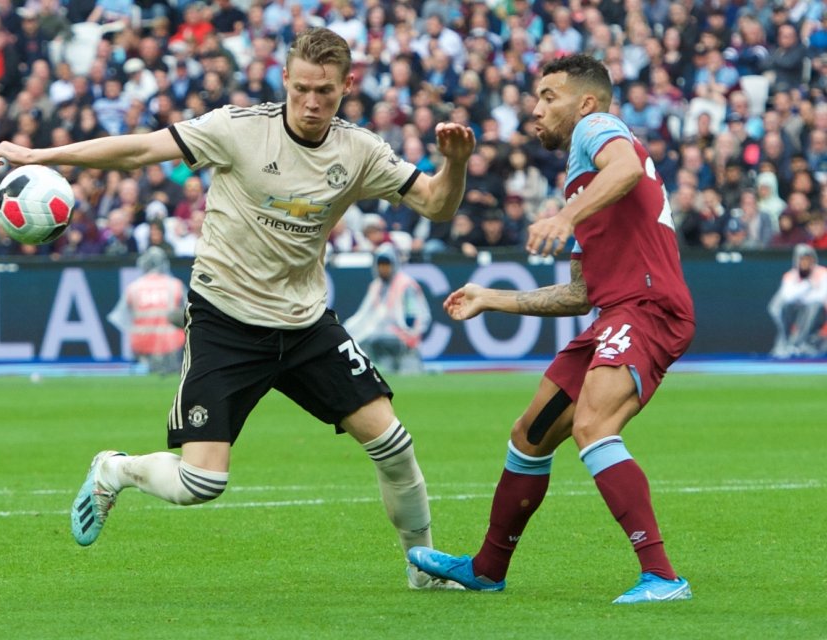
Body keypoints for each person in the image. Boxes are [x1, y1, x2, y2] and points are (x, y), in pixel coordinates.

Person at [0, 28, 474, 589]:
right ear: (285, 80)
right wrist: (39, 155)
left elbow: (437, 204)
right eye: (303, 89)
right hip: (227, 319)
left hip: (305, 322)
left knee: (393, 444)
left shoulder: (358, 150)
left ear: (348, 86)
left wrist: (454, 163)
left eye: (327, 92)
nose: (313, 103)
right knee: (201, 483)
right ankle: (114, 469)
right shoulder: (238, 130)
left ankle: (423, 569)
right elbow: (142, 149)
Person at [407, 55, 696, 604]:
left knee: (593, 426)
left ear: (584, 102)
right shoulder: (580, 182)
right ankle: (488, 567)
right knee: (529, 436)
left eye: (547, 97)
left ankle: (662, 577)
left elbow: (628, 168)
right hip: (613, 312)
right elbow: (581, 293)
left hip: (648, 307)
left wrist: (565, 219)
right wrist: (493, 299)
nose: (534, 109)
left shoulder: (597, 129)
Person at [344, 245, 431, 375]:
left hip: (403, 339)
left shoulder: (405, 285)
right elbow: (363, 314)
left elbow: (416, 315)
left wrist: (409, 333)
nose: (383, 269)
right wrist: (346, 330)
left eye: (386, 264)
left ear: (394, 265)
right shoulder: (376, 286)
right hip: (379, 337)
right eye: (380, 265)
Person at [107, 247, 187, 375]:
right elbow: (189, 314)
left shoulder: (134, 287)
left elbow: (119, 318)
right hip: (172, 346)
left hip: (142, 347)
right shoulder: (175, 285)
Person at [767, 244, 827, 358]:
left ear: (813, 259)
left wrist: (802, 295)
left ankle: (802, 342)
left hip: (819, 317)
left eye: (808, 259)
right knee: (781, 306)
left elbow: (820, 297)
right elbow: (788, 296)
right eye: (802, 259)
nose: (805, 262)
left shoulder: (823, 273)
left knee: (813, 307)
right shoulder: (790, 276)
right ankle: (786, 342)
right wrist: (807, 285)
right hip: (794, 314)